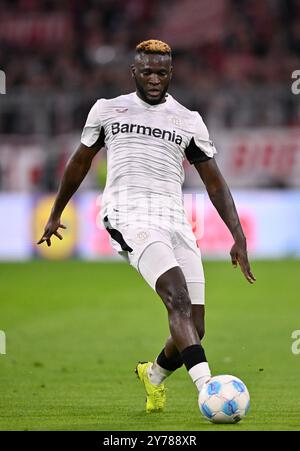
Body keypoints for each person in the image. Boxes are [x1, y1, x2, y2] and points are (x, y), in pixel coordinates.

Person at [38, 39, 256, 414]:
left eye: (161, 72)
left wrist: (238, 236)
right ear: (133, 72)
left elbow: (214, 182)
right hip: (128, 214)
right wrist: (58, 210)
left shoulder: (188, 120)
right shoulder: (108, 111)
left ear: (171, 73)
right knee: (177, 298)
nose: (154, 78)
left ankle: (153, 376)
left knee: (195, 325)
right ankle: (208, 389)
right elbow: (79, 162)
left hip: (175, 219)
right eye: (147, 71)